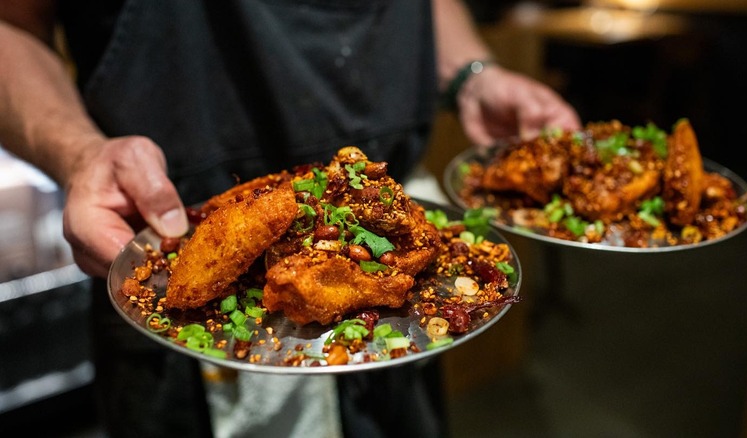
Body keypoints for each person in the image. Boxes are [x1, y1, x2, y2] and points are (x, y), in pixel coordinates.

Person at [0, 1, 580, 437]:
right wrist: (78, 153)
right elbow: (12, 26)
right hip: (175, 253)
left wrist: (471, 74)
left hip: (398, 320)